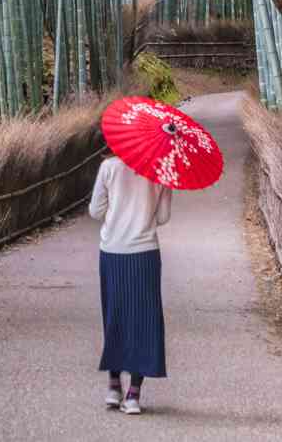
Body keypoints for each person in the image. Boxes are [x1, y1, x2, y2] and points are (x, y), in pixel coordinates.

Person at [90, 151, 172, 415]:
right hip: (145, 252)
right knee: (144, 320)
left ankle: (113, 386)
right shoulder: (162, 169)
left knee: (115, 315)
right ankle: (134, 394)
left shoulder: (108, 166)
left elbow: (95, 211)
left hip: (113, 251)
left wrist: (117, 210)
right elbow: (162, 218)